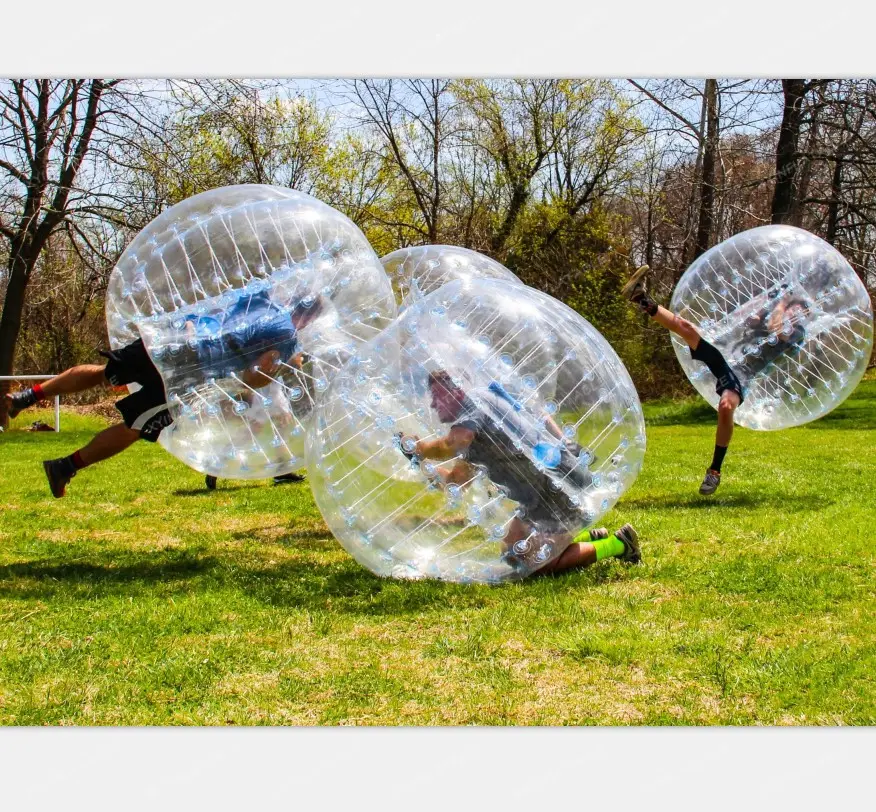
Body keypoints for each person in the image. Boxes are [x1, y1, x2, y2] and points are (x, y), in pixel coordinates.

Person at [7, 291, 324, 498]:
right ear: (309, 319)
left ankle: (26, 397)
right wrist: (283, 364)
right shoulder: (287, 336)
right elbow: (251, 378)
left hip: (173, 339)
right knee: (137, 425)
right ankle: (65, 466)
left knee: (105, 372)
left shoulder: (260, 301)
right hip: (193, 370)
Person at [398, 370, 640, 576]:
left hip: (557, 487)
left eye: (436, 396)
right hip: (540, 496)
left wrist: (420, 449)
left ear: (456, 391)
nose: (432, 404)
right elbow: (455, 482)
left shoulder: (474, 407)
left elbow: (453, 443)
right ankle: (588, 538)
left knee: (537, 565)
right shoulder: (480, 427)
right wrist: (420, 464)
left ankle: (619, 544)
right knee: (514, 555)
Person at [621, 265, 810, 495]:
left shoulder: (798, 332)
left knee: (726, 405)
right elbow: (747, 319)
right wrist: (767, 301)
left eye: (800, 310)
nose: (795, 312)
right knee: (687, 328)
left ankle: (714, 471)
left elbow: (776, 329)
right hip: (726, 354)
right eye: (794, 308)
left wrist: (781, 303)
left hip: (742, 373)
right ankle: (640, 297)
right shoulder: (773, 313)